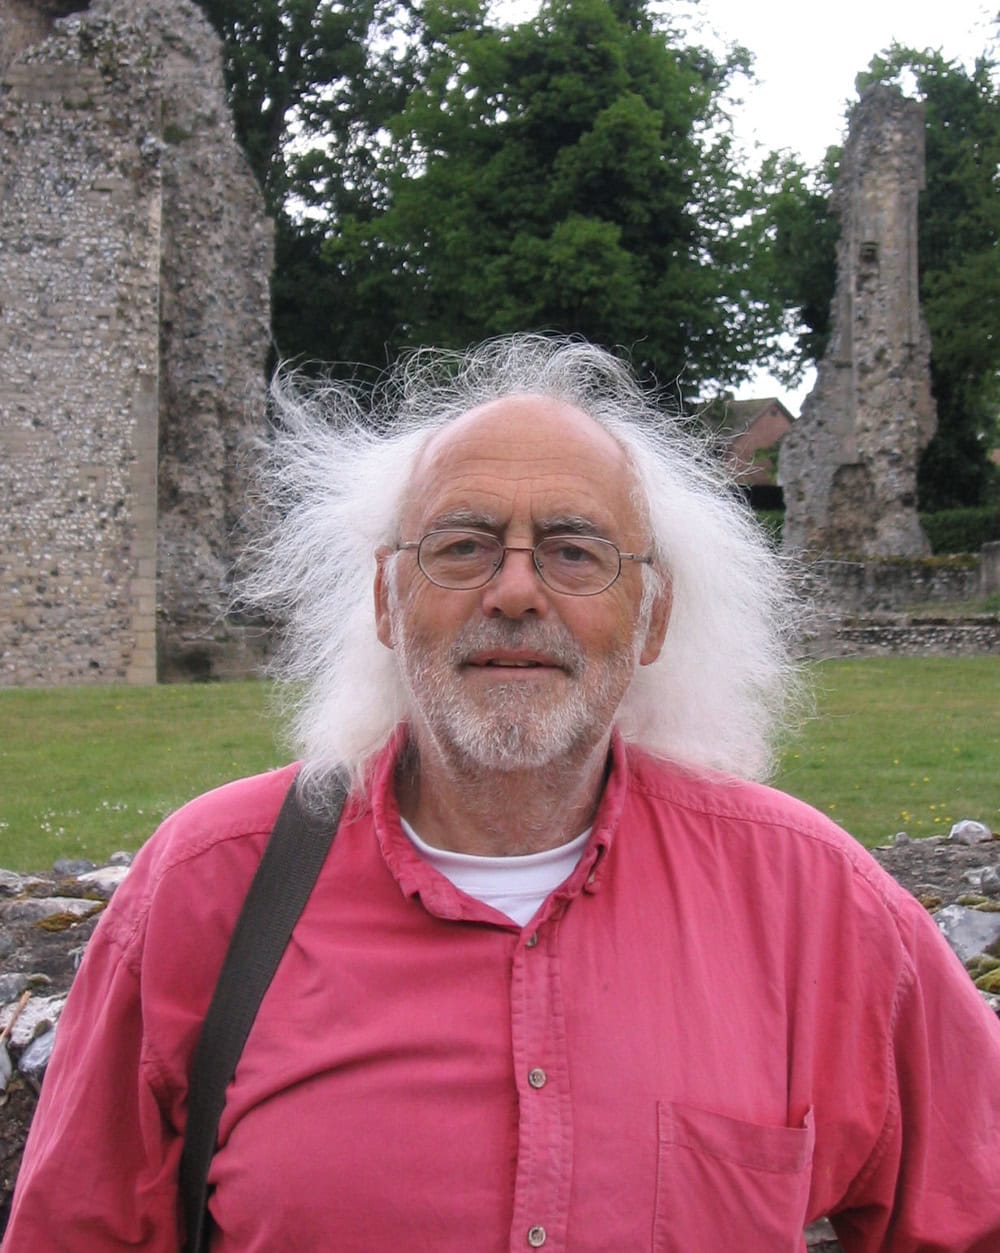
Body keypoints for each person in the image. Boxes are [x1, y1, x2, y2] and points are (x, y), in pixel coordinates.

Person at [5, 335, 1000, 1251]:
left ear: (649, 620)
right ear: (387, 599)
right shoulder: (207, 885)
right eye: (462, 544)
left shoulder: (812, 899)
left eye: (574, 549)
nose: (515, 590)